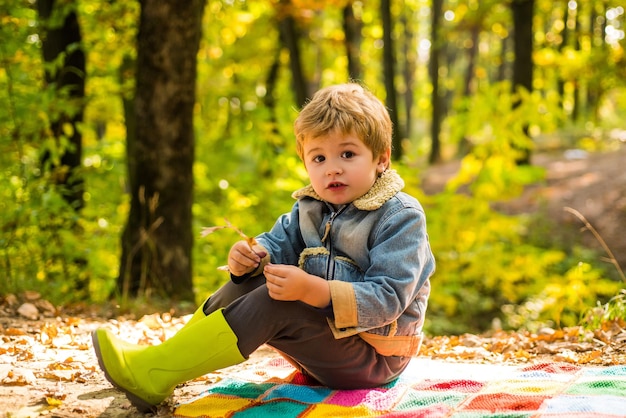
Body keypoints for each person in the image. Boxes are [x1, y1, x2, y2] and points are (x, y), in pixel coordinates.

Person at [91, 82, 435, 413]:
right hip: (328, 345)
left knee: (279, 300)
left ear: (381, 158)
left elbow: (388, 298)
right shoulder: (310, 208)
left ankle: (156, 372)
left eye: (347, 154)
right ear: (305, 163)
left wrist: (315, 290)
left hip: (375, 357)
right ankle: (162, 361)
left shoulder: (400, 217)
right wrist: (251, 259)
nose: (332, 168)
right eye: (318, 158)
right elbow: (276, 244)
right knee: (252, 282)